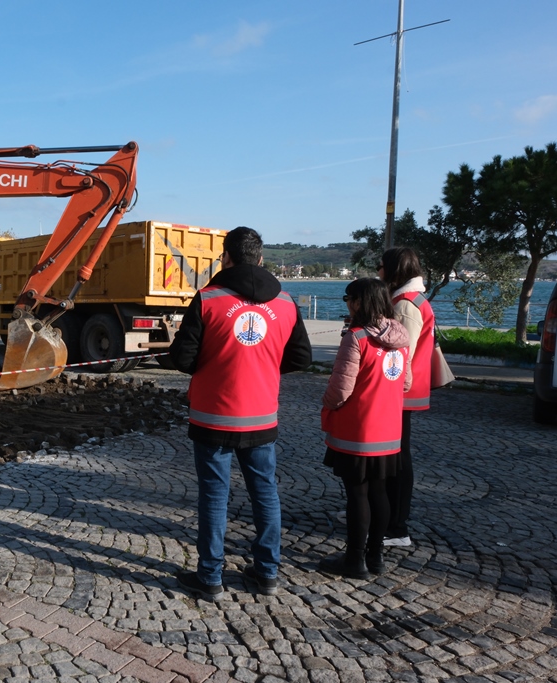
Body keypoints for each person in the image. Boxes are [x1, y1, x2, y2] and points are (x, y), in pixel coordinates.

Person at [168, 226, 312, 599]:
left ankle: (210, 577)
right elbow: (302, 357)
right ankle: (266, 573)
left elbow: (182, 358)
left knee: (214, 496)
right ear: (261, 259)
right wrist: (263, 367)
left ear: (226, 258)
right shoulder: (285, 302)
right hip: (262, 414)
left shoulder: (208, 299)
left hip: (212, 415)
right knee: (265, 492)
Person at [319, 278, 410, 579]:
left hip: (358, 429)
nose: (347, 303)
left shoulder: (356, 337)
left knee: (357, 494)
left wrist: (327, 403)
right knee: (380, 492)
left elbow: (340, 390)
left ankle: (354, 560)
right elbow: (406, 382)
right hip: (388, 429)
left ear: (358, 302)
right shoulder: (401, 337)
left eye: (348, 298)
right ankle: (376, 557)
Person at [379, 246, 435, 548]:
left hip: (400, 393)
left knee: (397, 459)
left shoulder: (405, 304)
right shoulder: (414, 299)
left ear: (393, 269)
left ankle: (395, 526)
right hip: (408, 391)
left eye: (382, 266)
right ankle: (386, 517)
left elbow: (400, 353)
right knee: (396, 455)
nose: (378, 270)